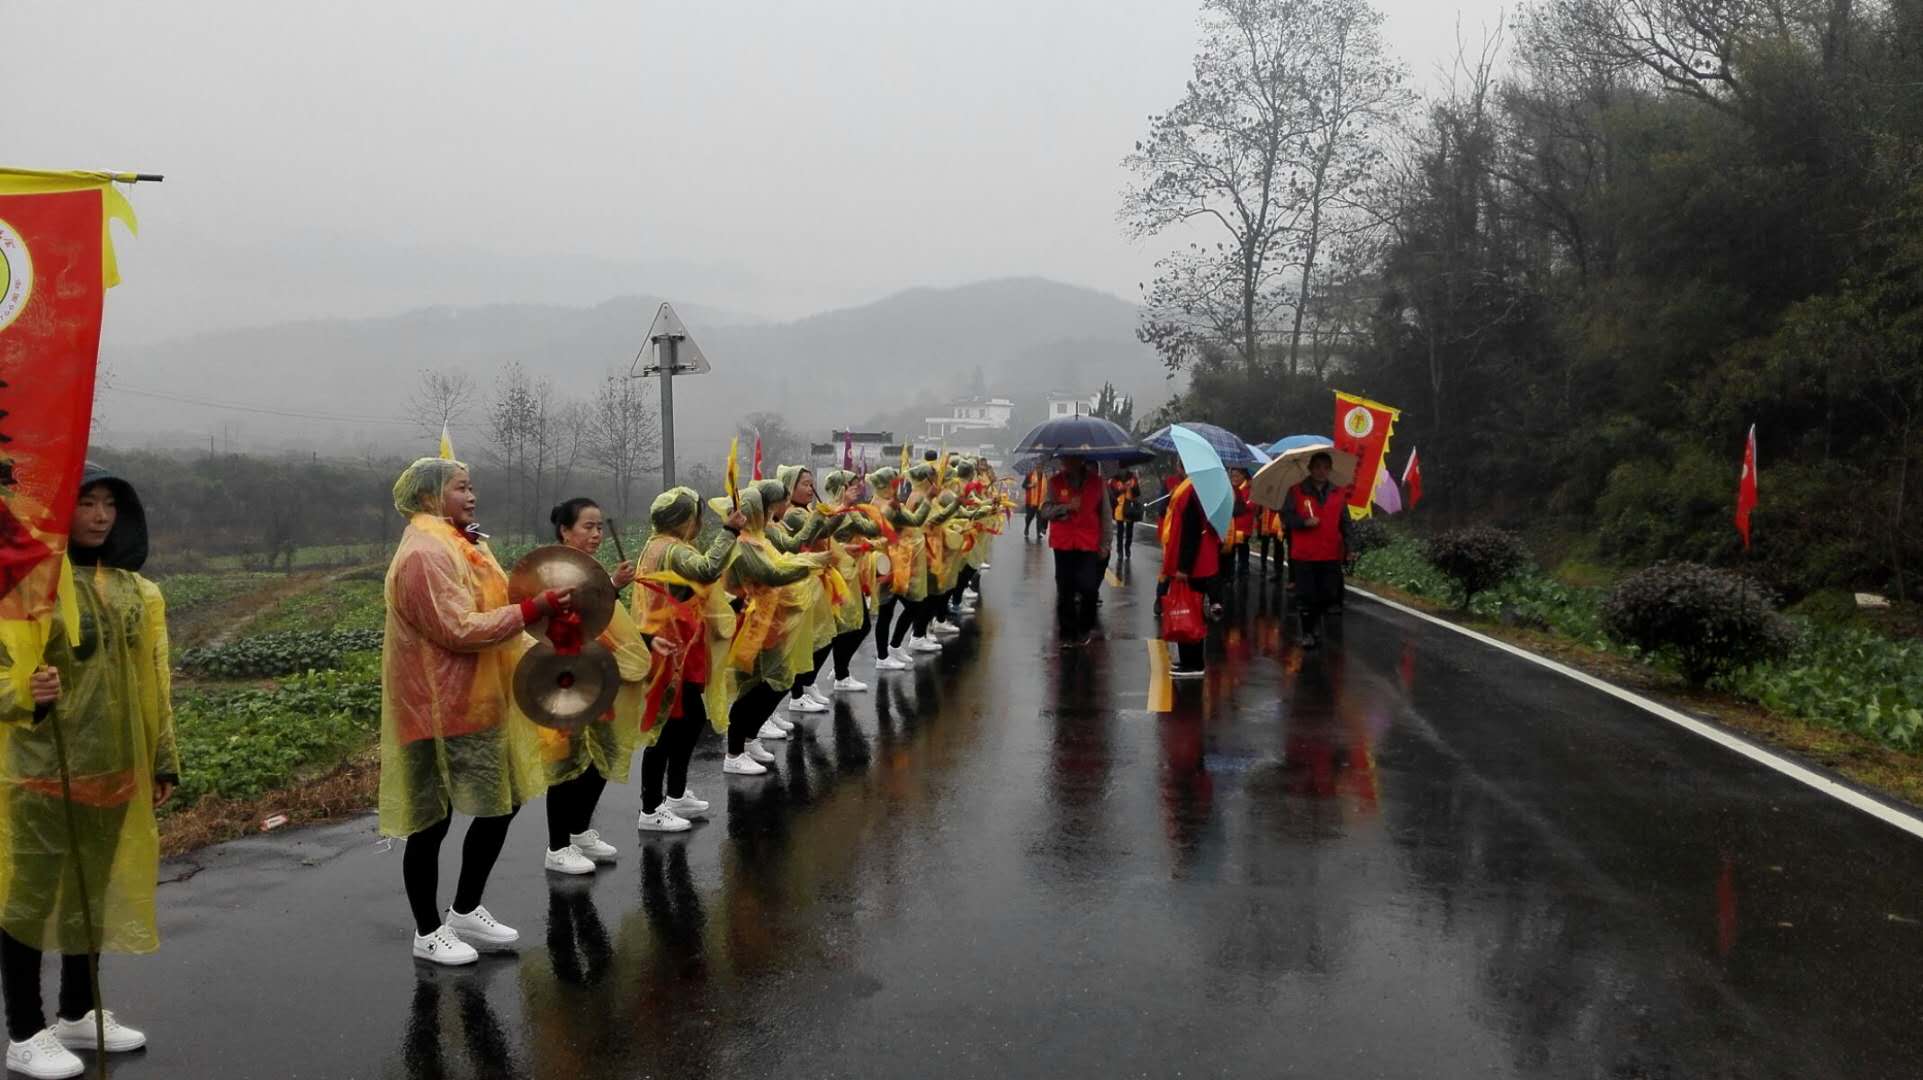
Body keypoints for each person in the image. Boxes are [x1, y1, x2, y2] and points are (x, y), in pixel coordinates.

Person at [2, 464, 177, 1078]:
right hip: (41, 768)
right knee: (28, 898)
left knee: (90, 894)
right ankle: (24, 1030)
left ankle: (78, 1010)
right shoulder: (27, 583)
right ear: (61, 511)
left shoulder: (136, 590)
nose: (101, 516)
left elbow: (153, 679)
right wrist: (28, 691)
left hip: (112, 768)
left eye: (109, 504)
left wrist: (161, 760)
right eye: (87, 503)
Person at [381, 457, 571, 967]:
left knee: (500, 803)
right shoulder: (424, 553)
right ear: (429, 497)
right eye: (461, 488)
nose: (472, 496)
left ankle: (464, 908)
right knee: (432, 820)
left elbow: (499, 605)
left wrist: (541, 613)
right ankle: (427, 929)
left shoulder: (467, 543)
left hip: (480, 699)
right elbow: (459, 629)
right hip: (435, 705)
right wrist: (533, 611)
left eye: (471, 487)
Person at [540, 498, 646, 870]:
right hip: (566, 673)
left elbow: (598, 615)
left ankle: (580, 831)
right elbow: (570, 619)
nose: (597, 534)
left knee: (601, 751)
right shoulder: (552, 569)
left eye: (600, 527)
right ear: (565, 531)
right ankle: (557, 847)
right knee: (568, 760)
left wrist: (612, 586)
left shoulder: (590, 566)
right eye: (588, 527)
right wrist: (612, 586)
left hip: (598, 670)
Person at [632, 488, 743, 824]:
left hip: (680, 642)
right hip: (668, 647)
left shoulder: (660, 545)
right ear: (682, 518)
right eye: (695, 514)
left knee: (688, 720)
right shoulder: (672, 549)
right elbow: (708, 569)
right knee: (666, 727)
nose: (699, 521)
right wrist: (730, 532)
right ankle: (651, 809)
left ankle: (676, 794)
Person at [719, 485, 828, 776]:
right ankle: (734, 750)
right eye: (763, 508)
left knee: (768, 680)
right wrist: (811, 563)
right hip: (757, 622)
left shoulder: (758, 538)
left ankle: (749, 738)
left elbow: (781, 561)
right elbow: (772, 574)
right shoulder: (744, 543)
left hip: (773, 619)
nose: (769, 511)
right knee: (764, 684)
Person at [1160, 461, 1224, 677]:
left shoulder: (1191, 490)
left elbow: (1191, 532)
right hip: (1204, 559)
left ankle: (1193, 663)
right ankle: (1190, 659)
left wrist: (1184, 567)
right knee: (1193, 609)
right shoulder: (1202, 489)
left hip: (1193, 563)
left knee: (1190, 610)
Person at [1283, 452, 1352, 649]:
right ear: (1310, 469)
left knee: (1328, 595)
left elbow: (1346, 523)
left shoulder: (1338, 493)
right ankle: (1307, 632)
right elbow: (1287, 518)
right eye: (1318, 467)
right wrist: (1304, 522)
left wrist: (1350, 547)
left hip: (1330, 554)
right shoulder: (1295, 491)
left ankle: (1314, 625)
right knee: (1306, 595)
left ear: (1330, 470)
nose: (1321, 471)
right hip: (1304, 555)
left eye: (1325, 467)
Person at [1042, 456, 1110, 648]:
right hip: (1063, 543)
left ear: (1079, 461)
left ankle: (1084, 627)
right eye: (1064, 460)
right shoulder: (1054, 482)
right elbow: (1045, 511)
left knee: (1089, 587)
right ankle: (1067, 634)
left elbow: (1105, 515)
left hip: (1088, 542)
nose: (1065, 463)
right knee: (1065, 589)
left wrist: (1105, 544)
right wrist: (1066, 507)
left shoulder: (1097, 483)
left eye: (1070, 459)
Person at [870, 467, 926, 671]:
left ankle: (892, 648)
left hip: (895, 561)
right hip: (887, 562)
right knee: (890, 609)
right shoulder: (884, 505)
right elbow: (915, 520)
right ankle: (883, 655)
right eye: (894, 482)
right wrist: (929, 500)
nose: (898, 485)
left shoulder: (883, 502)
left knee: (904, 606)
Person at [1227, 468, 1256, 577]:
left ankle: (1244, 568)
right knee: (1231, 549)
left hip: (1244, 525)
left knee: (1243, 547)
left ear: (1243, 475)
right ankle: (1230, 571)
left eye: (1236, 475)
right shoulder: (1231, 489)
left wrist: (1239, 504)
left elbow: (1251, 505)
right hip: (1232, 525)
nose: (1234, 478)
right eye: (1232, 476)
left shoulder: (1250, 489)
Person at [1110, 469, 1143, 562]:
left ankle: (1127, 548)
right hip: (1119, 508)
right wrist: (1120, 489)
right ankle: (1120, 551)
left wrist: (1133, 486)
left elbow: (1137, 493)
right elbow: (1112, 493)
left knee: (1129, 532)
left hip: (1130, 508)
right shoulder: (1115, 479)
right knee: (1120, 532)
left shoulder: (1133, 478)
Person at [1022, 466, 1047, 540]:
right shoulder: (1030, 475)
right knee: (1029, 516)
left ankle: (1038, 533)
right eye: (1038, 467)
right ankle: (1027, 527)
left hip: (1041, 501)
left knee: (1040, 518)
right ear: (1036, 468)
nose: (1040, 469)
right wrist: (1030, 485)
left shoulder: (1045, 477)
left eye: (1041, 467)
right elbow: (1023, 485)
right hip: (1031, 501)